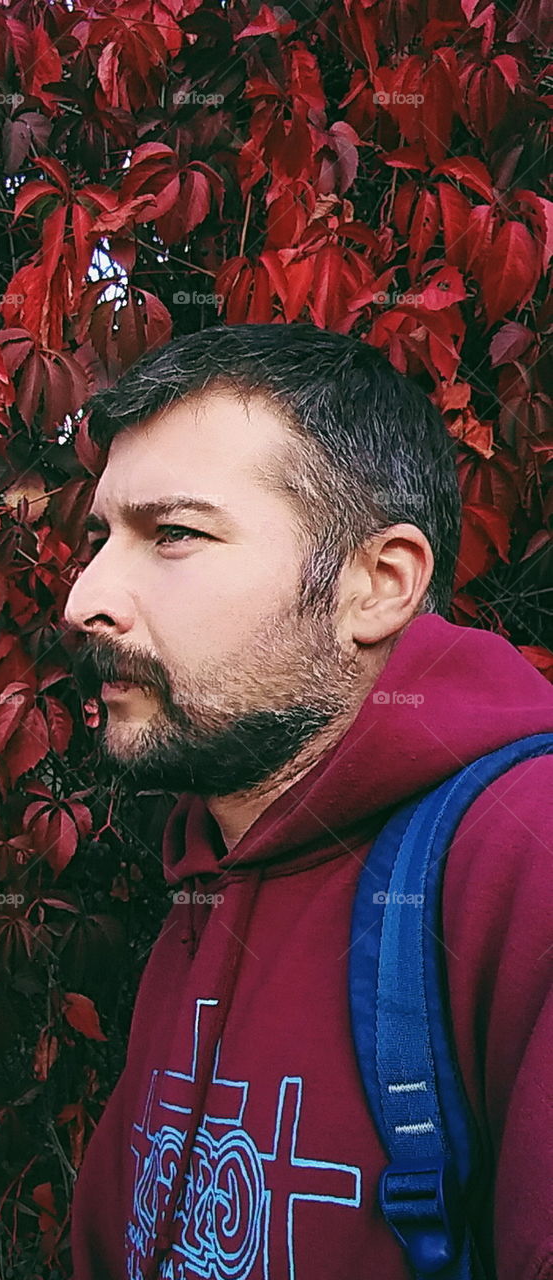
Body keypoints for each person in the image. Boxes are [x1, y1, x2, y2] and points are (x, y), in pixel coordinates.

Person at [61, 323, 553, 1280]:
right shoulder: (207, 869)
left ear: (376, 585)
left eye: (174, 534)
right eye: (100, 537)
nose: (84, 598)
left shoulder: (521, 856)